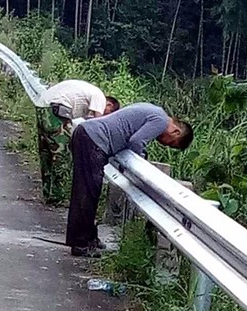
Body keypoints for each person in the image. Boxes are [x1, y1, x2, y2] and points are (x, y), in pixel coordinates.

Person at [65, 103, 194, 257]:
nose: (165, 144)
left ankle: (89, 238)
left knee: (89, 191)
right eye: (171, 143)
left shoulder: (156, 112)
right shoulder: (161, 121)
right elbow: (136, 142)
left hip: (89, 134)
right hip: (94, 139)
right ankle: (81, 243)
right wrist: (140, 164)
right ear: (175, 132)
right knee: (87, 193)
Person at [36, 81, 120, 205]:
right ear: (109, 104)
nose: (106, 115)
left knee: (47, 153)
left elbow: (89, 120)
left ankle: (48, 193)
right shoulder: (99, 96)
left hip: (43, 107)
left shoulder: (88, 91)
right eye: (108, 112)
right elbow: (98, 122)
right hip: (58, 110)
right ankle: (57, 197)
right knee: (62, 155)